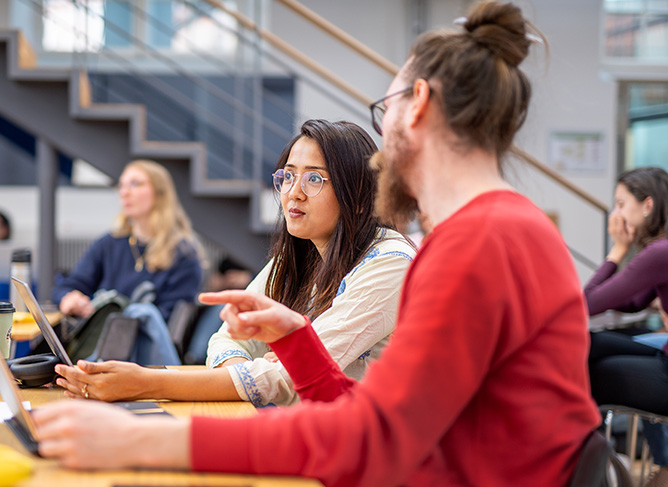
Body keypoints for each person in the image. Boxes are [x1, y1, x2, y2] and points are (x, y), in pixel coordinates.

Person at [31, 3, 601, 485]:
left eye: (386, 113)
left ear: (418, 104)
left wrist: (144, 442)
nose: (380, 151)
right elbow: (384, 417)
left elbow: (375, 440)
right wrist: (298, 341)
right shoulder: (503, 227)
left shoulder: (477, 242)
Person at [53, 119, 415, 406]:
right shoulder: (297, 257)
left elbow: (292, 375)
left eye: (315, 178)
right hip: (306, 431)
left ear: (360, 195)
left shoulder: (389, 263)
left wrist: (146, 382)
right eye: (288, 175)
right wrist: (248, 373)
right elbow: (224, 339)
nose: (294, 191)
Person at [51, 160, 203, 363]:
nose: (124, 192)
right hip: (98, 346)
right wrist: (70, 298)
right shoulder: (109, 243)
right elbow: (69, 285)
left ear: (160, 194)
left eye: (135, 184)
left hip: (143, 356)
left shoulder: (183, 254)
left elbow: (165, 325)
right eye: (121, 185)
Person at [586, 166, 668, 487]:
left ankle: (585, 470)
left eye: (621, 204)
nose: (616, 213)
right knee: (593, 343)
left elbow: (585, 304)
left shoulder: (659, 252)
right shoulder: (659, 251)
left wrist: (618, 249)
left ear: (647, 206)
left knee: (591, 366)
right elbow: (630, 302)